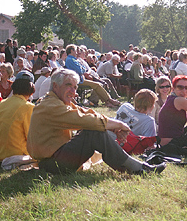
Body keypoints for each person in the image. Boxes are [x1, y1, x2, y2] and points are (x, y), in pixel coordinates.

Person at [26, 69, 166, 175]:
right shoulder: (51, 106)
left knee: (93, 128)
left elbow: (86, 112)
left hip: (53, 160)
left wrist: (111, 126)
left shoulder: (55, 102)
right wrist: (119, 124)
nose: (73, 91)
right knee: (93, 132)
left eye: (75, 87)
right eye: (68, 85)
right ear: (55, 86)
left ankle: (136, 166)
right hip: (51, 164)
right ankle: (138, 168)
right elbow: (85, 119)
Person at [0, 71, 35, 162]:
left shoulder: (2, 103)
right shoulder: (28, 107)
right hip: (16, 155)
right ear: (31, 90)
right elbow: (31, 137)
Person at [158, 75, 187, 147]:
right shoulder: (179, 100)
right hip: (172, 144)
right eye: (180, 87)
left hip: (166, 144)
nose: (184, 90)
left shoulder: (171, 99)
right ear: (173, 88)